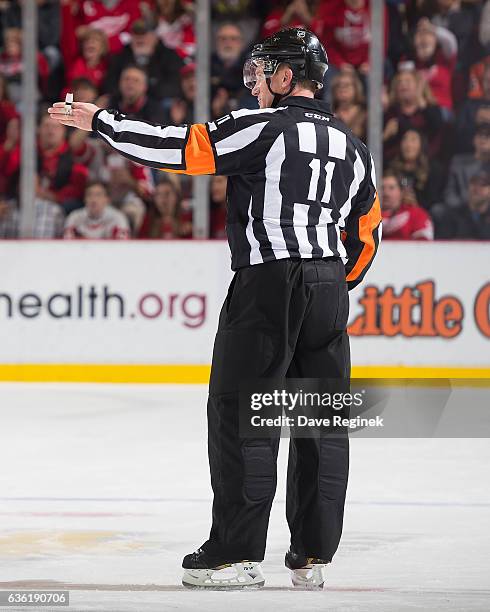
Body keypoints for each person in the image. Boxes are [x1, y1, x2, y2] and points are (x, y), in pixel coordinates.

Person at [48, 27, 381, 590]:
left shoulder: (260, 127)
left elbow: (182, 150)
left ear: (284, 75)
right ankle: (313, 554)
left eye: (262, 71)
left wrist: (102, 122)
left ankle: (235, 553)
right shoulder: (354, 145)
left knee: (243, 413)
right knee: (320, 419)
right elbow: (368, 236)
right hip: (327, 286)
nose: (253, 81)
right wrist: (326, 281)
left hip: (269, 282)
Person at [64, 180, 130, 239]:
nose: (93, 199)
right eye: (89, 195)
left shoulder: (117, 218)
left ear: (107, 199)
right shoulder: (75, 217)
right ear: (84, 199)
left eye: (98, 195)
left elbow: (122, 246)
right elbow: (67, 244)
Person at [435, 170, 490, 240]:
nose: (477, 189)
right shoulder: (452, 215)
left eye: (482, 185)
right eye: (473, 184)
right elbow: (441, 244)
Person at [381, 170, 434, 240]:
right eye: (382, 188)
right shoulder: (369, 215)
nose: (386, 193)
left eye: (391, 188)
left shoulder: (416, 214)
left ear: (401, 192)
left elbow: (423, 243)